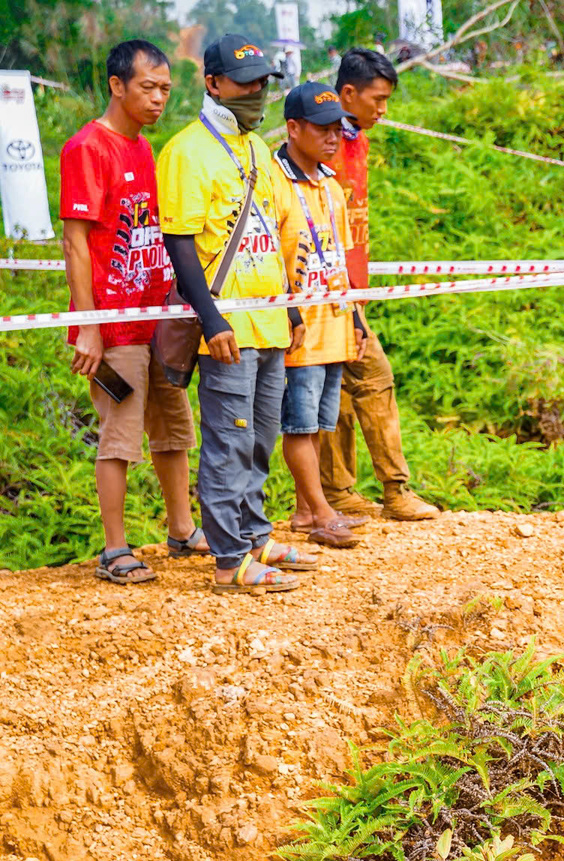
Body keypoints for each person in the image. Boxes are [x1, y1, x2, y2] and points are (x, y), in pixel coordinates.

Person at [158, 34, 318, 593]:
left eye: (262, 83)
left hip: (269, 318)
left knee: (261, 437)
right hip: (225, 326)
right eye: (245, 83)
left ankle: (256, 536)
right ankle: (229, 560)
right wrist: (211, 320)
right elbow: (179, 246)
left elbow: (272, 234)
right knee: (228, 441)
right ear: (214, 84)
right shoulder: (185, 152)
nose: (256, 93)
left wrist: (292, 307)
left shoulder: (255, 149)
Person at [59, 39, 201, 585]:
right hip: (113, 328)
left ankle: (183, 528)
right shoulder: (87, 148)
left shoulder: (146, 148)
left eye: (166, 89)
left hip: (156, 321)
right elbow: (75, 244)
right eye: (148, 87)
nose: (159, 98)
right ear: (117, 85)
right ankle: (114, 548)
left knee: (173, 426)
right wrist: (89, 329)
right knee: (120, 434)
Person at [322, 48, 440, 523]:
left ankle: (340, 490)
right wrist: (345, 299)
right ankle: (392, 489)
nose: (383, 109)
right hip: (326, 290)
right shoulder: (321, 144)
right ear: (348, 93)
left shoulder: (358, 142)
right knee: (369, 380)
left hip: (352, 290)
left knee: (343, 388)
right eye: (378, 99)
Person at [274, 82, 365, 551]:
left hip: (334, 317)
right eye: (322, 129)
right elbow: (268, 258)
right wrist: (288, 313)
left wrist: (356, 319)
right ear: (293, 127)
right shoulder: (274, 181)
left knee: (321, 420)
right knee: (300, 422)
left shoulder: (331, 184)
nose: (333, 138)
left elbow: (341, 257)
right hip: (299, 326)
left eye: (338, 130)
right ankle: (319, 511)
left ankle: (308, 507)